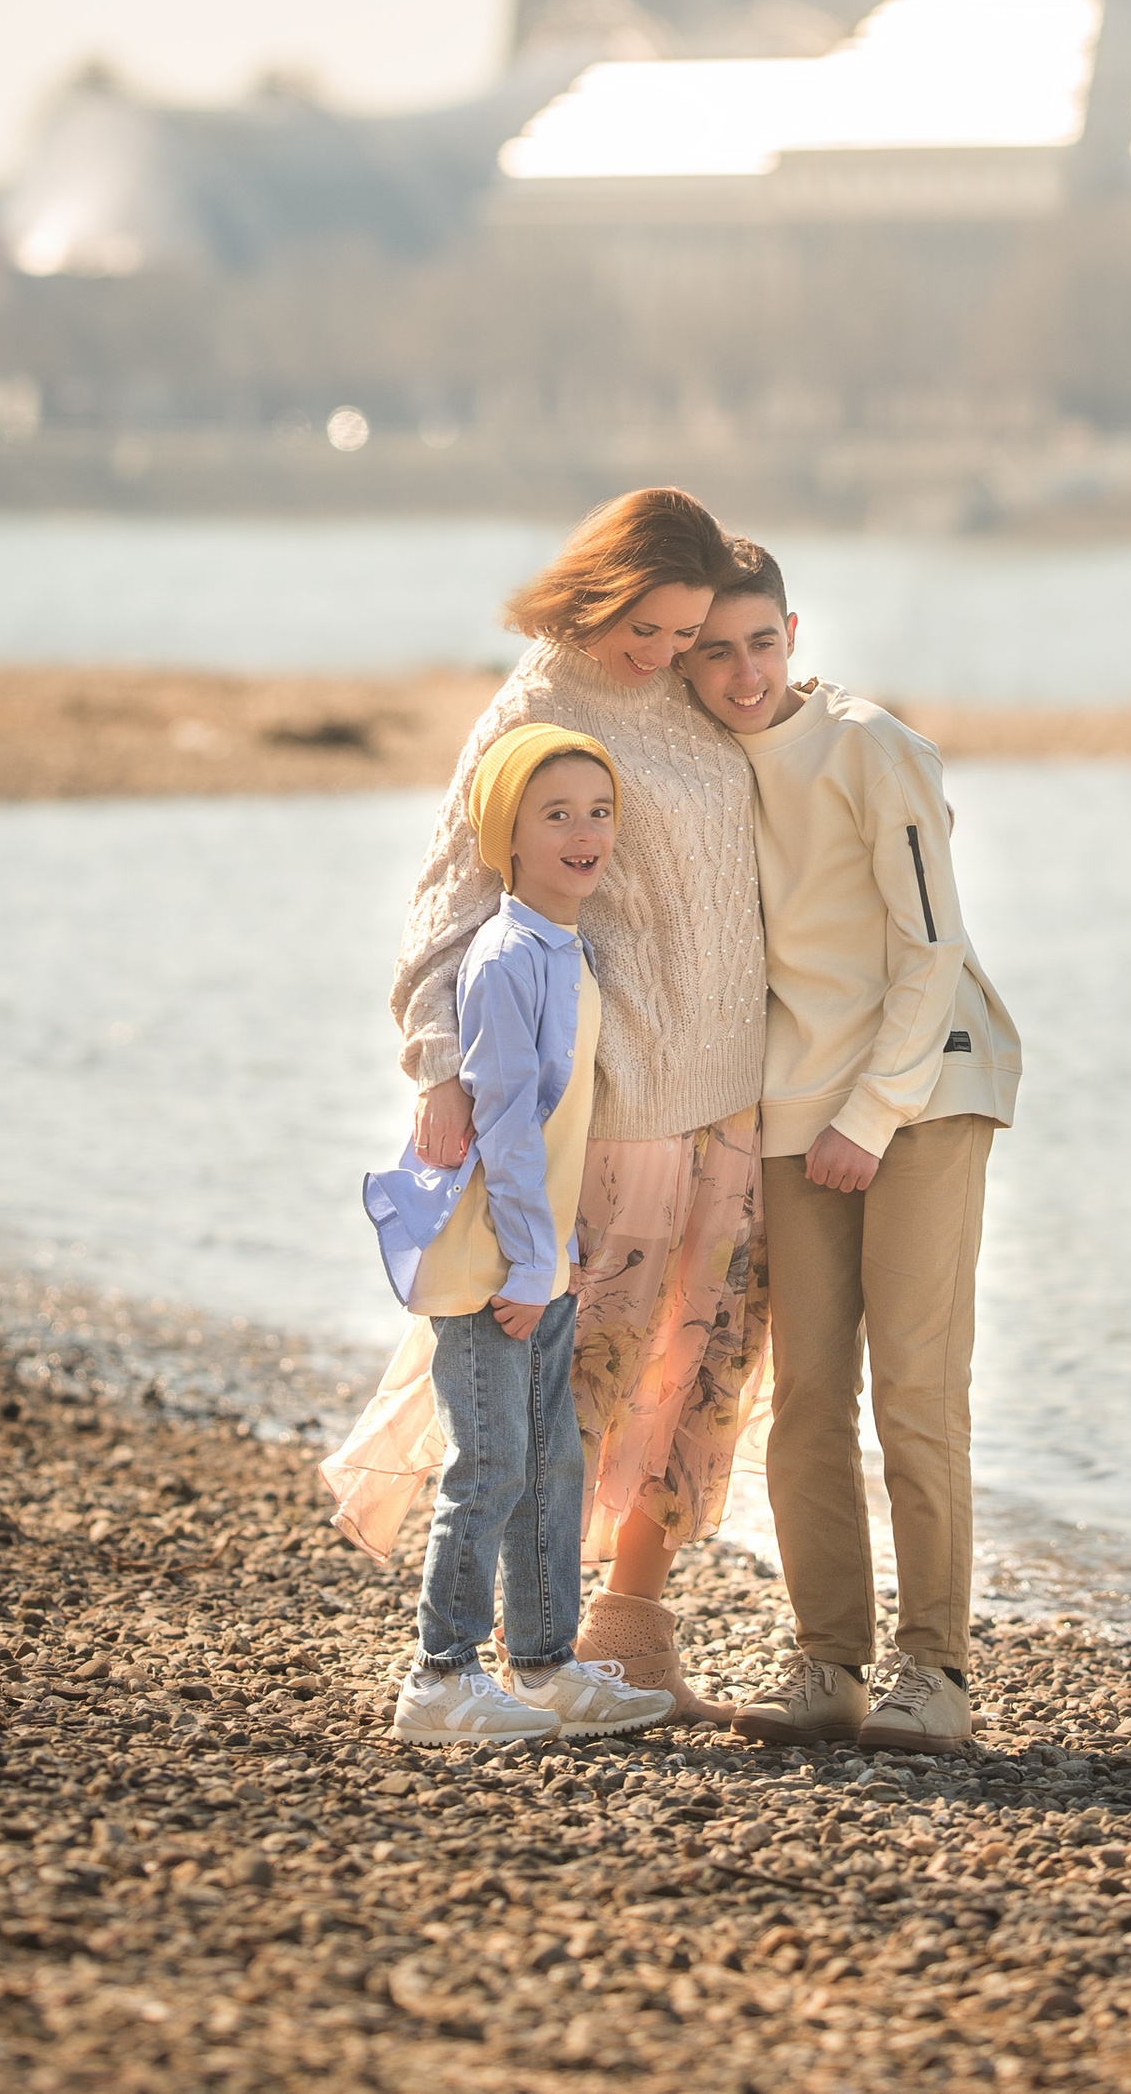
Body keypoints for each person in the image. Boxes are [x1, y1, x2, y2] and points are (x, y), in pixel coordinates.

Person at [323, 487, 767, 1724]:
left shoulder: (683, 694)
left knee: (695, 1380)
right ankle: (495, 1665)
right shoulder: (536, 708)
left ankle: (601, 1648)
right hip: (617, 1110)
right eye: (650, 630)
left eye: (686, 635)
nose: (665, 656)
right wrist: (438, 1066)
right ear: (600, 589)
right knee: (565, 1396)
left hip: (735, 1098)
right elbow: (443, 899)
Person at [676, 541, 1021, 1758]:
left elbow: (931, 950)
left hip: (922, 1093)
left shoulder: (872, 746)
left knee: (915, 1394)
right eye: (712, 651)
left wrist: (870, 1119)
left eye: (760, 642)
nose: (742, 672)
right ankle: (828, 1664)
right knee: (807, 1399)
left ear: (794, 632)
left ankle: (937, 1674)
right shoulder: (701, 762)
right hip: (792, 1110)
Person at [365, 725, 679, 1746]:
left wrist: (559, 1252)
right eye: (557, 815)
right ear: (506, 834)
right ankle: (438, 1679)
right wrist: (534, 1262)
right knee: (491, 1467)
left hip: (536, 1255)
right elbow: (501, 1122)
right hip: (488, 1261)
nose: (585, 832)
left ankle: (543, 1665)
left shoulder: (564, 948)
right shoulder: (506, 959)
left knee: (551, 1462)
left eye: (599, 811)